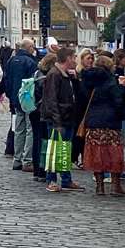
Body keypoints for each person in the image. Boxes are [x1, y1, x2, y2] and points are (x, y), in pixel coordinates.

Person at [81, 54, 125, 196]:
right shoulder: (110, 81)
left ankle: (99, 186)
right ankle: (115, 186)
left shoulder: (87, 79)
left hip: (93, 121)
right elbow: (118, 101)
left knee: (96, 153)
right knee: (114, 153)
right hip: (111, 121)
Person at [36, 48, 82, 191]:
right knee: (54, 149)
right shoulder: (54, 75)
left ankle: (66, 179)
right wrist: (57, 122)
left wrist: (75, 79)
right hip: (58, 119)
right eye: (74, 57)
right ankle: (51, 180)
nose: (75, 60)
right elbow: (51, 100)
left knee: (64, 150)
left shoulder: (66, 75)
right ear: (68, 58)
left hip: (67, 117)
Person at [3, 40, 39, 172]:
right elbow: (33, 83)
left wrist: (10, 96)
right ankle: (27, 160)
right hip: (28, 99)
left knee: (18, 129)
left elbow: (7, 80)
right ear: (29, 48)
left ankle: (17, 159)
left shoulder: (12, 61)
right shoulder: (31, 62)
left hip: (15, 99)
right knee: (30, 130)